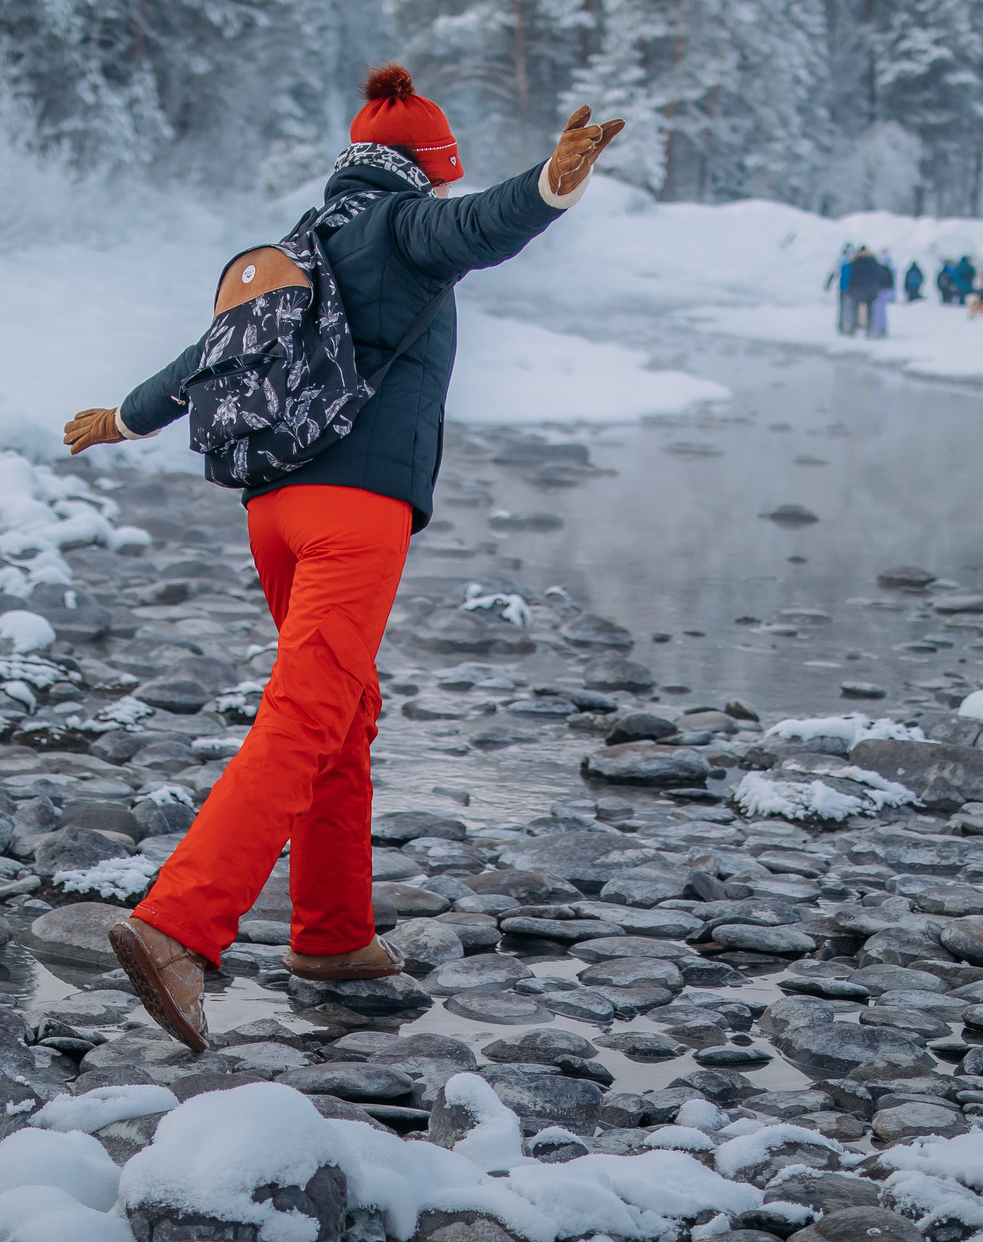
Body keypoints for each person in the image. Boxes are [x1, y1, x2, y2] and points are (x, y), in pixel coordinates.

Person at [60, 65, 625, 1049]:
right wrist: (548, 187)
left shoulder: (299, 244)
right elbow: (474, 230)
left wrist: (119, 417)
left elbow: (201, 359)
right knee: (310, 706)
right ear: (424, 167)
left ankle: (331, 933)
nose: (443, 194)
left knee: (344, 709)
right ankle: (177, 927)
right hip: (352, 511)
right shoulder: (400, 225)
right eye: (441, 176)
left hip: (272, 507)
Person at [829, 246, 860, 336]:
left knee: (845, 307)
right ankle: (848, 326)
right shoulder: (853, 260)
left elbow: (835, 272)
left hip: (846, 288)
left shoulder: (843, 260)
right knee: (850, 307)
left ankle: (845, 326)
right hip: (850, 288)